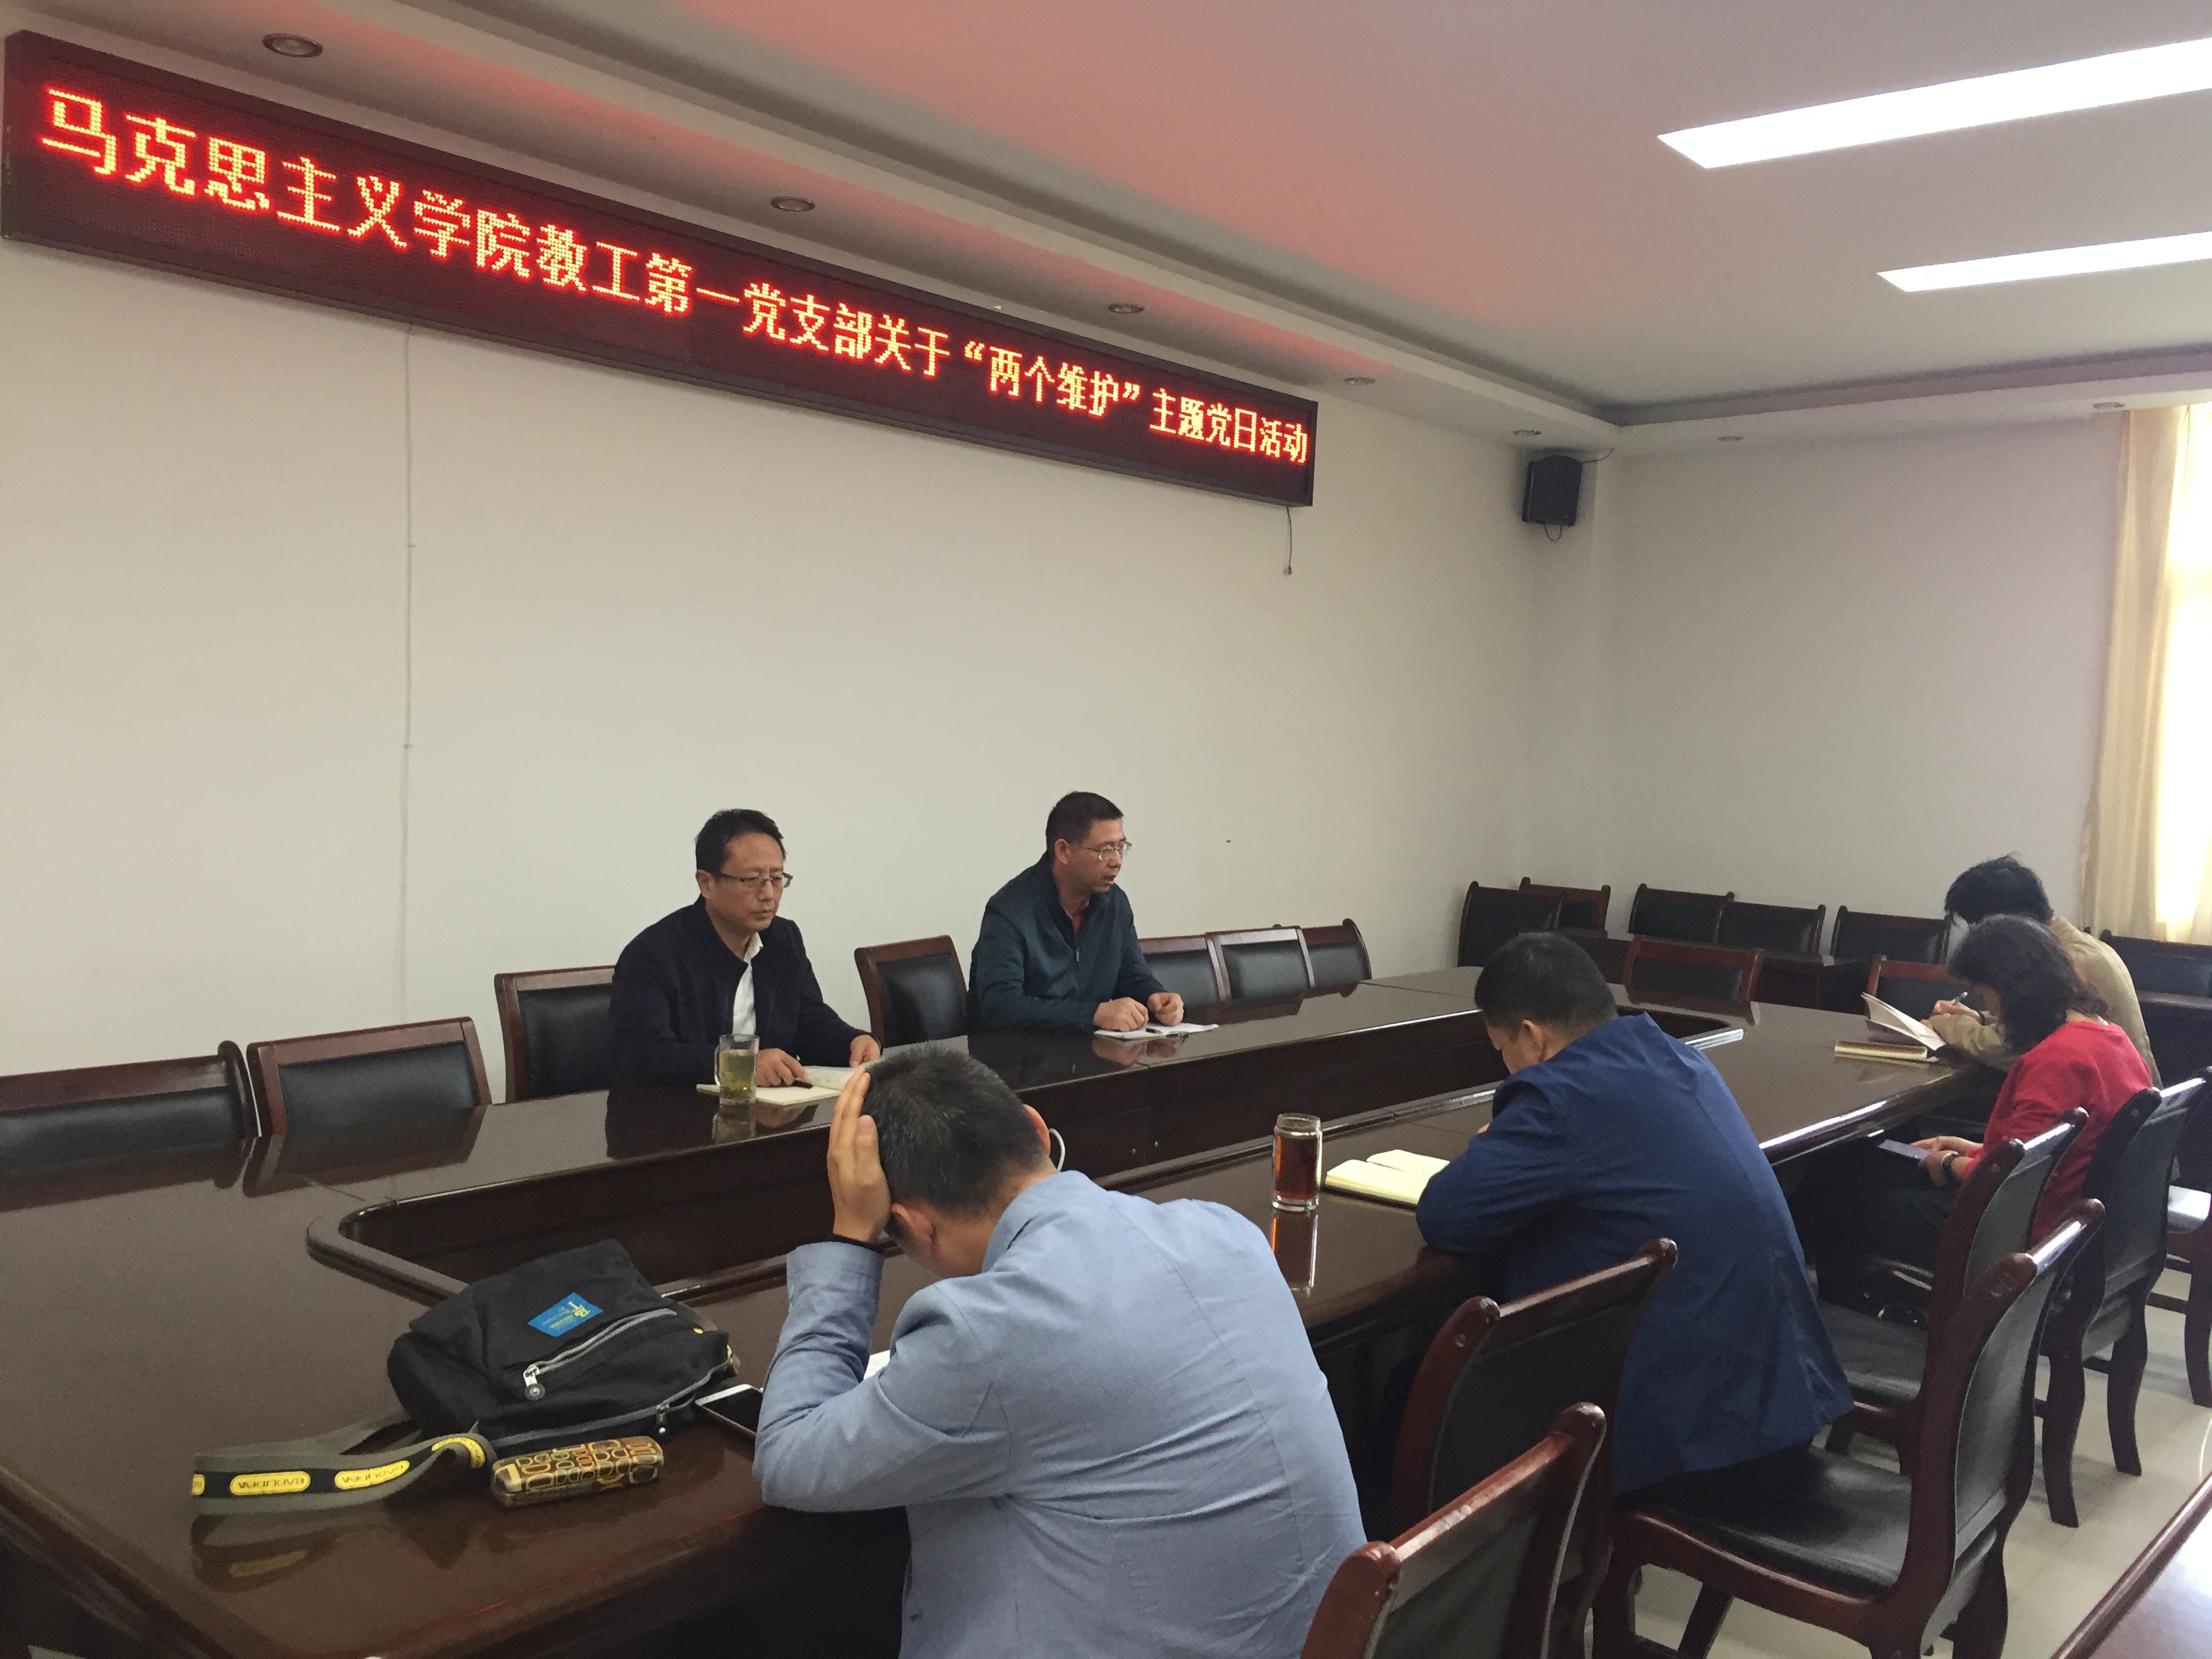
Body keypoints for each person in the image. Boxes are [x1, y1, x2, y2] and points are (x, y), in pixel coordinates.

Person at [754, 1049, 1364, 1659]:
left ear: (912, 1226)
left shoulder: (985, 1333)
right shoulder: (1228, 1233)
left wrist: (851, 1236)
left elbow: (787, 1454)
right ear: (1038, 1131)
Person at [1415, 932, 1849, 1511]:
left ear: (1533, 1038)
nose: (1506, 1065)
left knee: (1431, 1394)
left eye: (1502, 1050)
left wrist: (1497, 1145)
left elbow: (1447, 1214)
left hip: (1705, 1446)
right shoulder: (1679, 1057)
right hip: (1784, 1407)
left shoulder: (1564, 1094)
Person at [1797, 914, 2152, 1301]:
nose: (1993, 1012)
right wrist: (1973, 1150)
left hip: (2012, 1234)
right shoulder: (2111, 1038)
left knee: (1833, 1195)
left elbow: (2015, 1178)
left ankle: (1842, 1311)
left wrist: (1951, 1163)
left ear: (2012, 990)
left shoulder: (2058, 1060)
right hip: (2068, 1223)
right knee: (1858, 1168)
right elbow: (2041, 1149)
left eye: (1986, 997)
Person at [609, 809, 878, 1086]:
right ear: (706, 883)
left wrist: (852, 1042)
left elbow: (809, 1021)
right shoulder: (652, 955)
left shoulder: (782, 939)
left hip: (769, 1107)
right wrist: (740, 1065)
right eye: (751, 880)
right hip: (679, 1109)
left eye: (776, 878)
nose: (768, 895)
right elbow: (646, 1055)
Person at [1925, 855, 2158, 1082]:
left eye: (1978, 926)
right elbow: (2038, 1021)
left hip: (2099, 1100)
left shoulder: (2070, 961)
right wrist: (1978, 1018)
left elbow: (2016, 1046)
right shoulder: (2079, 945)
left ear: (2005, 924)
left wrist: (1945, 1025)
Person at [968, 792, 1183, 1033]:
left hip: (1090, 1050)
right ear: (1063, 851)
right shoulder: (1010, 911)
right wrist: (1092, 1014)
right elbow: (1001, 1007)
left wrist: (1154, 997)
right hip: (1016, 1052)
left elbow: (1131, 974)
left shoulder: (1115, 903)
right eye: (1105, 850)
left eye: (1120, 847)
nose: (1117, 861)